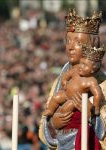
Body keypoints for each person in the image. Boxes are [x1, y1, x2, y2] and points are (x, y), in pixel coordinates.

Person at [39, 9, 106, 150]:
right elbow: (46, 120)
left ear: (91, 46)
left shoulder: (102, 83)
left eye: (78, 42)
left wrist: (92, 115)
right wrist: (54, 123)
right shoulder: (60, 80)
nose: (70, 47)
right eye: (68, 41)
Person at [43, 45, 105, 118]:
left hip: (74, 100)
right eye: (81, 63)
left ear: (93, 69)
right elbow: (65, 76)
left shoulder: (91, 81)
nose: (81, 66)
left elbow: (97, 94)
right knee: (55, 98)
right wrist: (64, 82)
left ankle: (65, 118)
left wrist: (96, 106)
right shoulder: (75, 71)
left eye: (85, 65)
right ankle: (50, 110)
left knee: (66, 108)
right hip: (65, 93)